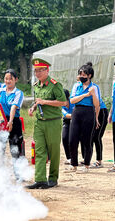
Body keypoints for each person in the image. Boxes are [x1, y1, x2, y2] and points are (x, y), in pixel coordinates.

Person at [26, 58, 67, 189]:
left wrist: (45, 102)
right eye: (35, 71)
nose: (37, 73)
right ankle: (40, 179)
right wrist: (33, 108)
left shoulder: (55, 85)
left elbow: (63, 102)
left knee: (53, 150)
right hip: (40, 122)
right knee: (39, 150)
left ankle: (53, 178)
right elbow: (37, 101)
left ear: (47, 70)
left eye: (40, 70)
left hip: (53, 122)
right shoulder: (36, 86)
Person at [65, 64, 100, 174]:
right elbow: (72, 100)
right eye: (80, 74)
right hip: (76, 112)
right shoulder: (77, 86)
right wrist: (85, 95)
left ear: (89, 75)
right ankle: (73, 164)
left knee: (87, 140)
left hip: (89, 113)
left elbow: (97, 104)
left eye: (84, 74)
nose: (81, 76)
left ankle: (86, 165)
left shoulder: (95, 87)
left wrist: (93, 94)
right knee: (72, 139)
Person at [0, 69, 24, 166]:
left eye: (10, 79)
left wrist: (10, 121)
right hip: (1, 121)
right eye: (6, 79)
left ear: (16, 79)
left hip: (13, 122)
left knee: (15, 148)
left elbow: (13, 107)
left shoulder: (18, 93)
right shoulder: (0, 90)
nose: (8, 81)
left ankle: (19, 174)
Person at [62, 89, 75, 165]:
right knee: (64, 138)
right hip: (67, 120)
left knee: (73, 140)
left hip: (77, 121)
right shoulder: (60, 105)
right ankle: (69, 158)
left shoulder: (73, 102)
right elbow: (66, 115)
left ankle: (82, 158)